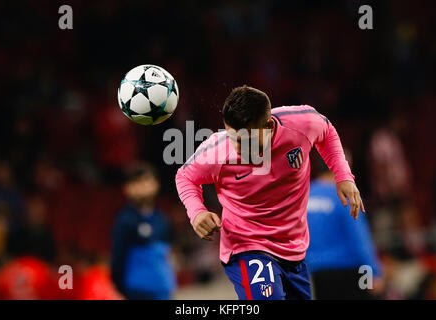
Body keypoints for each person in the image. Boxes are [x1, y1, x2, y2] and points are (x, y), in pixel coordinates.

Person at [175, 85, 364, 300]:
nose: (239, 147)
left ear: (268, 126)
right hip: (246, 246)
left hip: (294, 249)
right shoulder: (216, 151)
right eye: (234, 138)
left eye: (247, 139)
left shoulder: (301, 123)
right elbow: (184, 177)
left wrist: (343, 175)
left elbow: (327, 132)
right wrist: (197, 212)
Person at [306, 155, 383, 299]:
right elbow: (360, 239)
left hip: (313, 274)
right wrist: (373, 273)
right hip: (347, 274)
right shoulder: (347, 195)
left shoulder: (305, 195)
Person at [110, 162, 176, 300]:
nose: (142, 186)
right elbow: (117, 257)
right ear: (126, 188)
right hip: (136, 291)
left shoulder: (162, 219)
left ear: (156, 184)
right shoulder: (124, 221)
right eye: (136, 182)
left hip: (162, 287)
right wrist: (118, 287)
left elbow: (168, 253)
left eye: (146, 180)